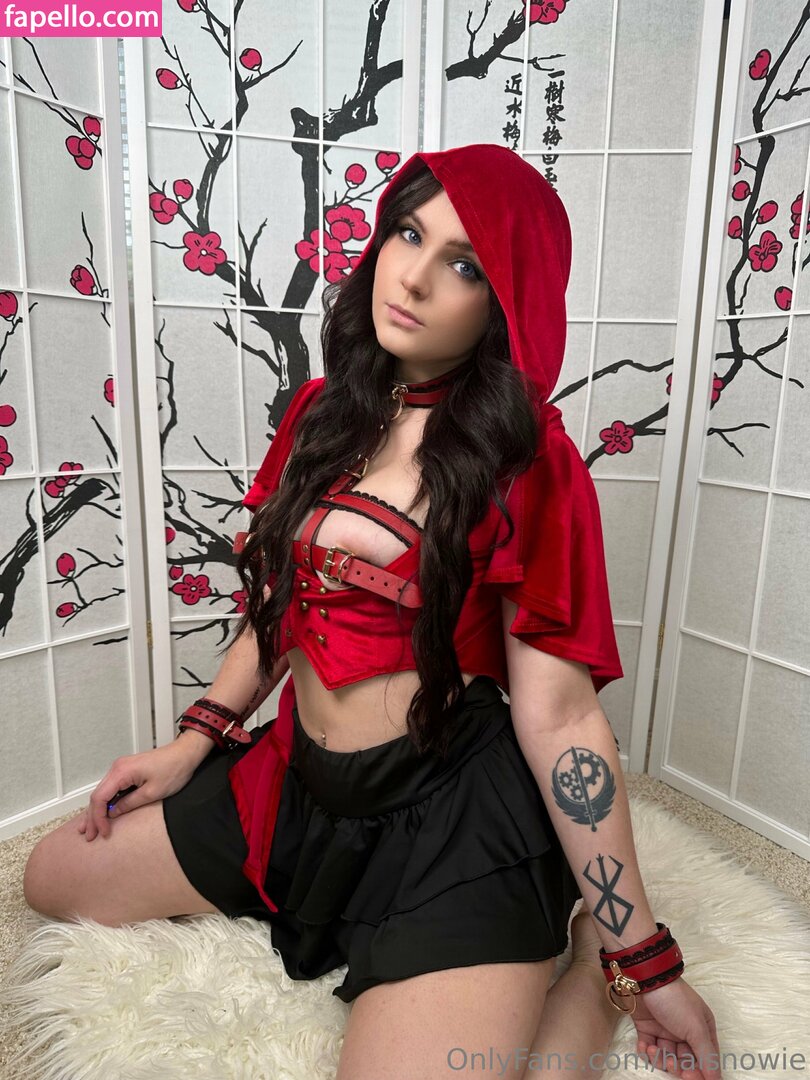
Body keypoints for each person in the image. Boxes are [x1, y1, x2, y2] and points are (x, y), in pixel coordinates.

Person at [23, 144, 721, 1080]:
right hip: (299, 786)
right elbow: (277, 601)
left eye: (464, 264)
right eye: (407, 234)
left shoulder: (531, 462)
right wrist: (195, 741)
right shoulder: (323, 413)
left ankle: (589, 961)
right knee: (55, 878)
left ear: (505, 301)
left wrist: (643, 953)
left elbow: (561, 719)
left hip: (448, 817)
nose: (415, 276)